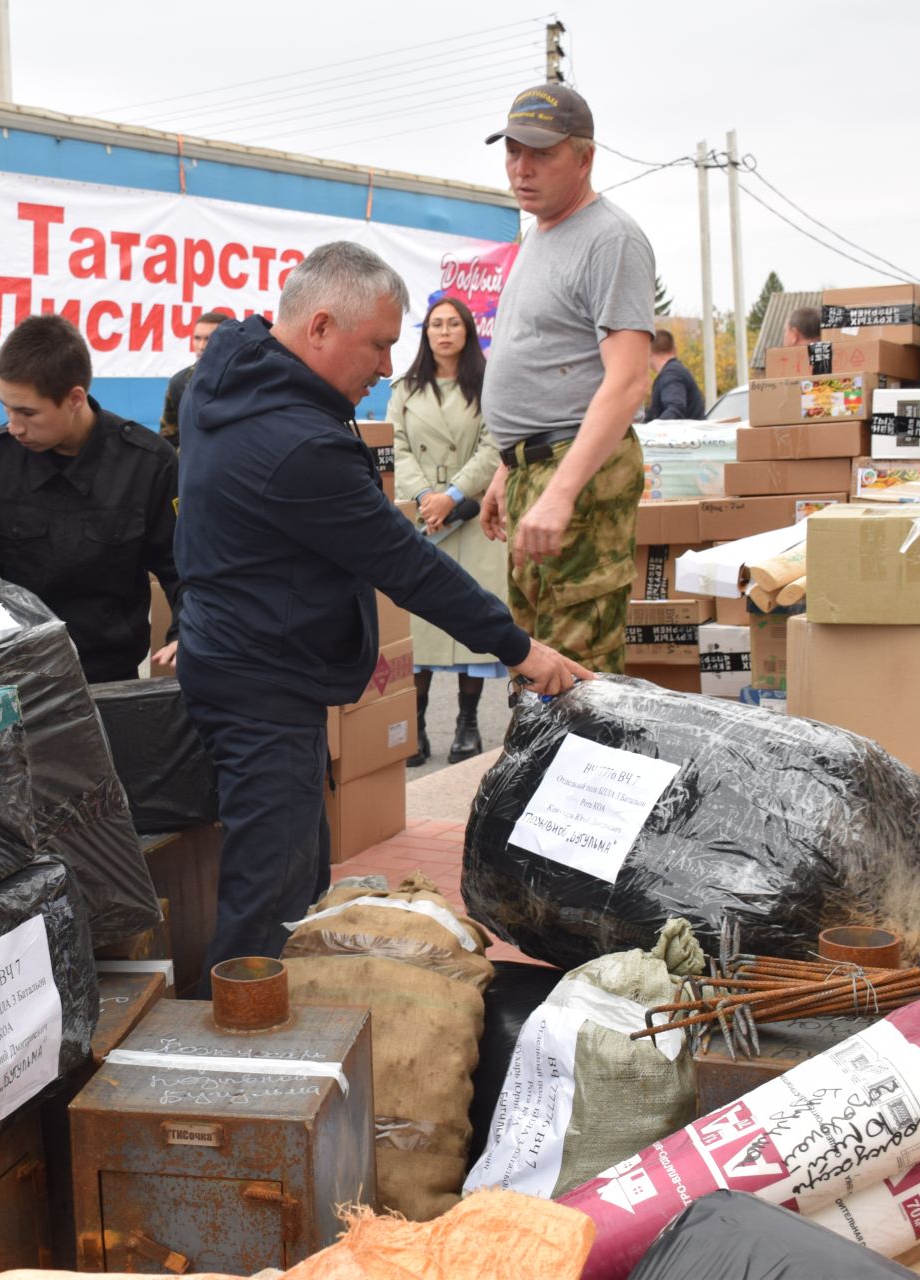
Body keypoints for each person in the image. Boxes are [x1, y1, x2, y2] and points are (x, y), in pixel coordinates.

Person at [174, 241, 590, 971]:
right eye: (379, 345)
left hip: (244, 656)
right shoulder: (297, 442)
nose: (384, 366)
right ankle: (244, 1046)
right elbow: (409, 570)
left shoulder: (232, 368)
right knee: (269, 897)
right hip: (262, 683)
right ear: (321, 328)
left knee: (295, 876)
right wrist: (524, 650)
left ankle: (282, 1016)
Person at [477, 83, 655, 673]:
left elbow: (628, 382)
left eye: (541, 153)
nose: (521, 168)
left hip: (577, 475)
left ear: (585, 157)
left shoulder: (611, 238)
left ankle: (582, 768)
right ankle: (542, 769)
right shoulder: (539, 233)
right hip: (539, 468)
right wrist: (510, 465)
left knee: (578, 675)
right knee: (534, 661)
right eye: (512, 152)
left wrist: (559, 490)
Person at [0, 315, 181, 683]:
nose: (13, 427)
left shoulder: (147, 464)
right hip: (11, 678)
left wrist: (185, 633)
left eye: (27, 413)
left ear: (74, 398)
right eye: (6, 408)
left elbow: (182, 566)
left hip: (108, 676)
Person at [389, 296, 508, 766]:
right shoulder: (405, 388)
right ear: (425, 332)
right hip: (423, 517)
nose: (444, 332)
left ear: (467, 331)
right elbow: (396, 449)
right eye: (436, 324)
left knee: (471, 623)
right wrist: (424, 498)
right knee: (421, 627)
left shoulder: (488, 383)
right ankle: (414, 723)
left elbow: (493, 444)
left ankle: (468, 722)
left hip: (473, 513)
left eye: (453, 324)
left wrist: (452, 496)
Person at [158, 310, 233, 448]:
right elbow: (168, 439)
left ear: (228, 339)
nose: (202, 346)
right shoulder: (179, 383)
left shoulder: (246, 379)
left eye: (209, 339)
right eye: (197, 338)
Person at [644, 330, 704, 421]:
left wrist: (653, 429)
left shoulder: (671, 375)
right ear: (674, 349)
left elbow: (675, 409)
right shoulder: (675, 371)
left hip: (682, 434)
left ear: (649, 351)